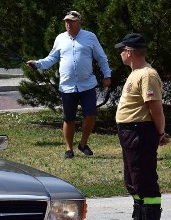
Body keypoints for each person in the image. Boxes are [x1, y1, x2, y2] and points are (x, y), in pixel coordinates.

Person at [26, 10, 112, 159]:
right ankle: (69, 149)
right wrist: (37, 64)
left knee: (90, 115)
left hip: (87, 85)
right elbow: (51, 58)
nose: (69, 24)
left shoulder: (90, 37)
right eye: (67, 21)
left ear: (79, 22)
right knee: (68, 118)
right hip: (67, 86)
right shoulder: (60, 38)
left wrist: (107, 75)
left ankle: (83, 144)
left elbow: (101, 57)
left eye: (72, 21)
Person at [113, 33, 170, 220]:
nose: (120, 54)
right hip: (129, 132)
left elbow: (156, 109)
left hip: (140, 132)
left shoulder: (147, 75)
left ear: (129, 52)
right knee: (132, 180)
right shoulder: (136, 73)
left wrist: (160, 133)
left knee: (145, 181)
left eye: (122, 50)